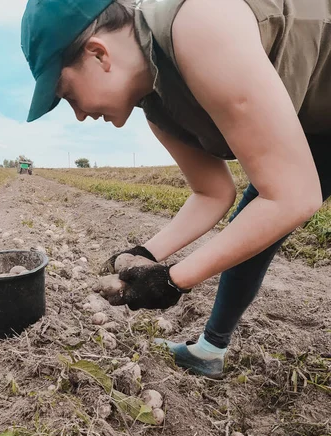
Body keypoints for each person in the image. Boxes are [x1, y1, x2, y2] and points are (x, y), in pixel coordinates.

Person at [21, 0, 331, 378]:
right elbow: (212, 193)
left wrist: (172, 280)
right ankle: (210, 350)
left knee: (268, 206)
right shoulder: (155, 104)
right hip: (318, 123)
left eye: (68, 95)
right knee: (254, 224)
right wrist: (146, 254)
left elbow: (291, 197)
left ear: (99, 54)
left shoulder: (198, 22)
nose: (79, 114)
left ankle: (210, 348)